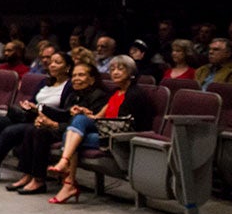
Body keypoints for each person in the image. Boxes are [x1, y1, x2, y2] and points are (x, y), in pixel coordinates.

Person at [47, 55, 155, 204]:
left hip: (121, 139)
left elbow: (124, 124)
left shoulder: (135, 94)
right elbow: (98, 117)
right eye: (112, 69)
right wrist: (85, 112)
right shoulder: (115, 93)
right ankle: (68, 178)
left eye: (120, 69)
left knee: (70, 136)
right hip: (107, 132)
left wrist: (88, 119)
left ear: (131, 72)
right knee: (76, 124)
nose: (115, 72)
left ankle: (68, 177)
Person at [0, 50, 72, 185]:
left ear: (67, 67)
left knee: (11, 131)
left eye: (57, 62)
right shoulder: (45, 82)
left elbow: (64, 112)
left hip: (44, 121)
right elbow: (33, 99)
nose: (52, 65)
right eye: (51, 62)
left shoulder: (69, 86)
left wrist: (39, 110)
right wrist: (28, 105)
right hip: (30, 115)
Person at [11, 51, 107, 198]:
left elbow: (83, 125)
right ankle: (27, 175)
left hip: (80, 134)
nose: (76, 79)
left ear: (92, 79)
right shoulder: (73, 95)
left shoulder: (98, 96)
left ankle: (39, 180)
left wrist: (53, 124)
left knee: (40, 132)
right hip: (65, 129)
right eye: (74, 76)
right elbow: (65, 115)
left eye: (81, 75)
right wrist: (41, 117)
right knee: (32, 128)